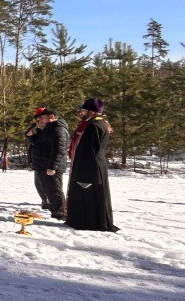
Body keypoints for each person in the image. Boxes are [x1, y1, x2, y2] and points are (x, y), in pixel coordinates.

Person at [67, 99, 119, 232]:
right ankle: (86, 221)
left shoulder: (94, 126)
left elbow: (89, 150)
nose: (81, 112)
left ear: (90, 111)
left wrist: (82, 169)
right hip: (93, 165)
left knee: (88, 194)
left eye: (83, 110)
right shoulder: (96, 124)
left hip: (90, 166)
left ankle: (89, 222)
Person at [27, 107, 69, 219]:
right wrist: (30, 136)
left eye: (43, 117)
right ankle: (55, 211)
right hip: (43, 164)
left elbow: (59, 149)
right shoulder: (49, 128)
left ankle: (61, 213)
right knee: (48, 190)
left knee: (54, 190)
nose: (41, 119)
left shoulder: (58, 129)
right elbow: (40, 144)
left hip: (50, 165)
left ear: (51, 117)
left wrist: (52, 166)